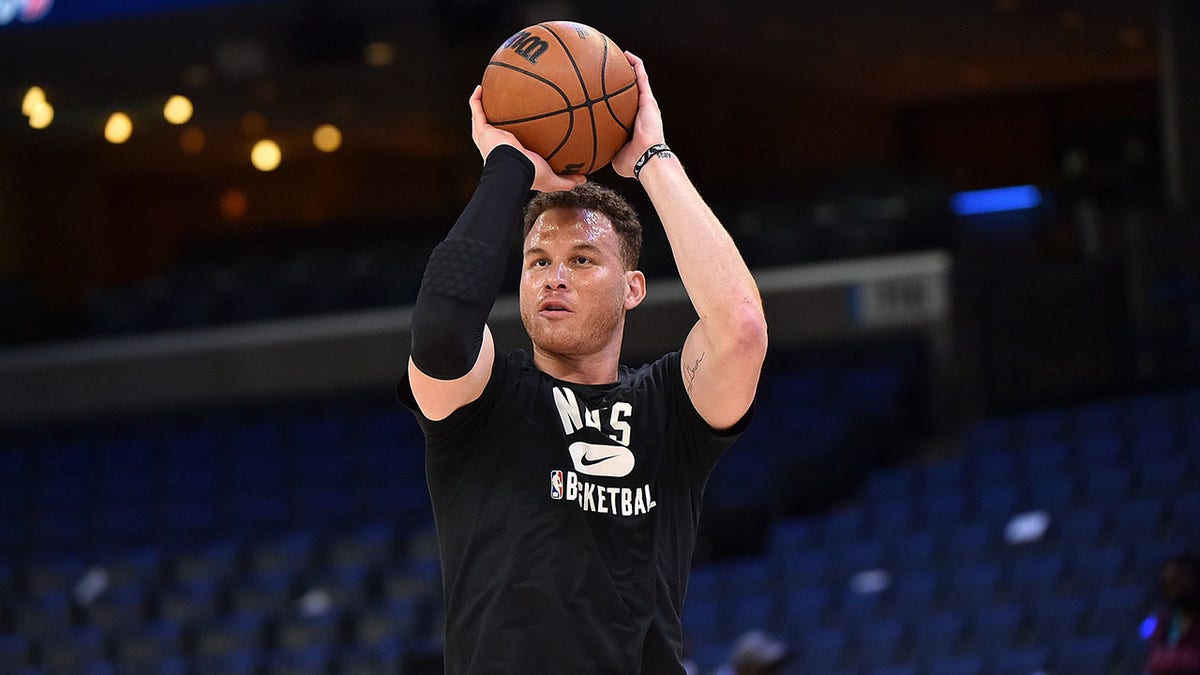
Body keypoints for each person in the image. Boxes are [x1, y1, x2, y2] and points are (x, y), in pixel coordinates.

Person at [396, 50, 768, 674]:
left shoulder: (667, 409)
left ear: (632, 289)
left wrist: (652, 157)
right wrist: (507, 167)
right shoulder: (488, 399)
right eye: (538, 260)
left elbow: (742, 329)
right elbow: (439, 331)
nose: (553, 278)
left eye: (583, 260)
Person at [1144, 553, 1200, 674]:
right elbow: (1153, 662)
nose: (1173, 590)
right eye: (1168, 584)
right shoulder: (1164, 622)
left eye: (1177, 582)